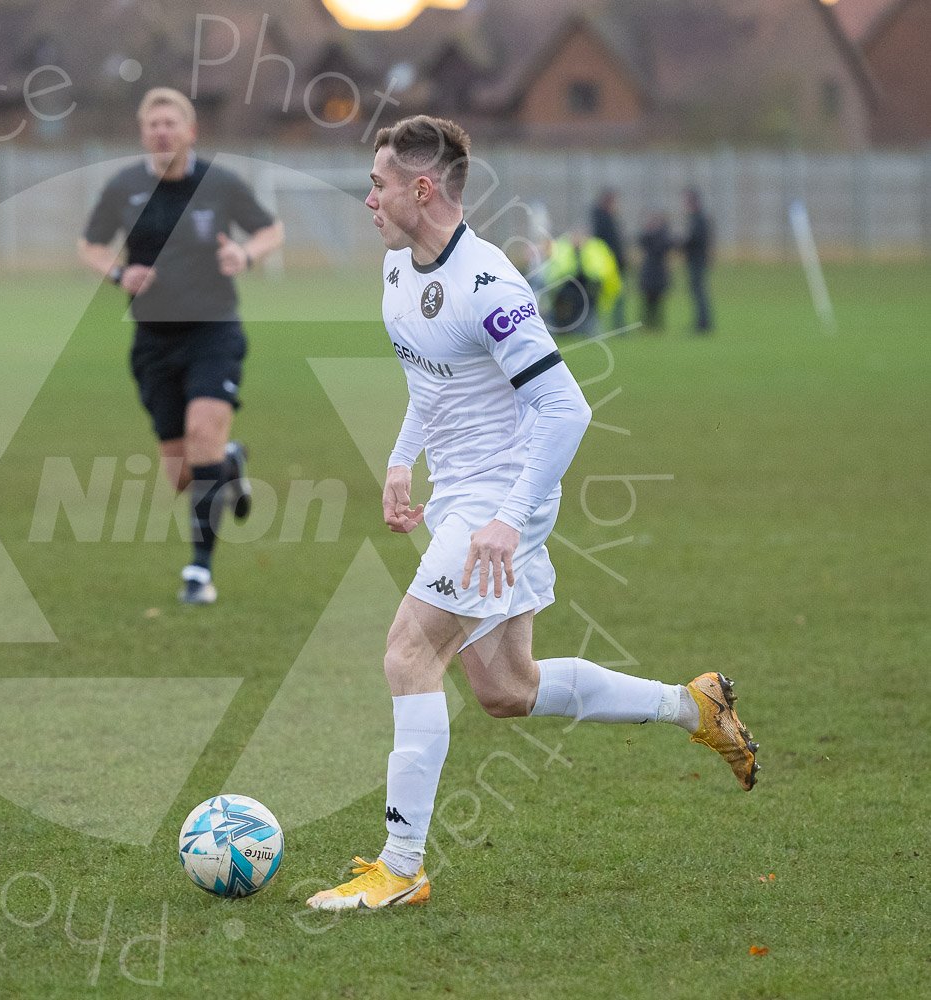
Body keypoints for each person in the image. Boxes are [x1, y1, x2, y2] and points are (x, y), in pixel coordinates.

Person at [305, 116, 759, 913]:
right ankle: (695, 705)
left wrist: (508, 518)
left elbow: (565, 409)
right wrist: (401, 459)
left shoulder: (489, 284)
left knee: (409, 652)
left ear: (421, 188)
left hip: (500, 498)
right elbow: (431, 382)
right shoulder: (398, 270)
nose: (367, 196)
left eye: (378, 183)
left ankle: (401, 865)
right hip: (464, 495)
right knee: (506, 689)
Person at [77, 87, 283, 605]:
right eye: (153, 125)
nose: (162, 132)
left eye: (171, 123)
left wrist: (245, 252)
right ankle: (229, 465)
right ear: (143, 133)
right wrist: (119, 273)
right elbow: (88, 245)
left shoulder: (220, 184)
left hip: (214, 331)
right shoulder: (123, 187)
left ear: (191, 131)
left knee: (202, 434)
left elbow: (270, 229)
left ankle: (199, 572)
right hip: (152, 341)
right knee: (182, 474)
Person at [541, 228, 621, 337]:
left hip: (587, 288)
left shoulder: (594, 247)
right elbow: (554, 271)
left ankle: (586, 332)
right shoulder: (563, 247)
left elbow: (601, 270)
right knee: (561, 311)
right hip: (566, 288)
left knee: (588, 311)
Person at [589, 188, 628, 331]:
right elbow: (609, 245)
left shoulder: (603, 218)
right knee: (613, 296)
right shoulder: (604, 219)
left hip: (609, 264)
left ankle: (612, 325)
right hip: (608, 265)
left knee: (613, 297)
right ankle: (615, 325)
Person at [682, 187, 714, 334]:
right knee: (698, 292)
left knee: (699, 292)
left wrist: (680, 243)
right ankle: (702, 322)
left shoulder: (698, 219)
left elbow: (695, 240)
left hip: (697, 261)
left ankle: (703, 324)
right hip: (697, 260)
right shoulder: (698, 218)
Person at [637, 211, 673, 331]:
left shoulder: (663, 236)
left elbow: (664, 246)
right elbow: (641, 240)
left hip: (659, 272)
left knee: (658, 301)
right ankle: (646, 324)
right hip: (649, 271)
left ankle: (657, 324)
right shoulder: (647, 236)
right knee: (647, 301)